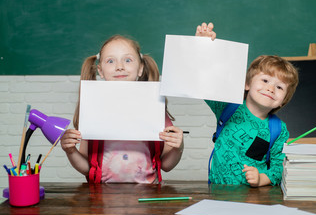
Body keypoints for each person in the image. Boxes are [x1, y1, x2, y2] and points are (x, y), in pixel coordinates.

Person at [61, 35, 184, 184]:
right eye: (111, 61)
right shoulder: (93, 110)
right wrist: (70, 151)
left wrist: (179, 147)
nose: (120, 66)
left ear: (140, 68)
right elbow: (86, 167)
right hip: (102, 200)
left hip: (148, 197)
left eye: (127, 60)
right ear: (100, 70)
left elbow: (166, 165)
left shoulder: (155, 109)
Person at [196, 22, 299, 187]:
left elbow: (279, 169)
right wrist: (203, 46)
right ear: (247, 84)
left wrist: (261, 178)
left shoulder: (278, 129)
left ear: (283, 100)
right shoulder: (227, 107)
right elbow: (206, 83)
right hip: (217, 193)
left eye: (279, 87)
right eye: (265, 80)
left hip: (253, 198)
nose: (270, 88)